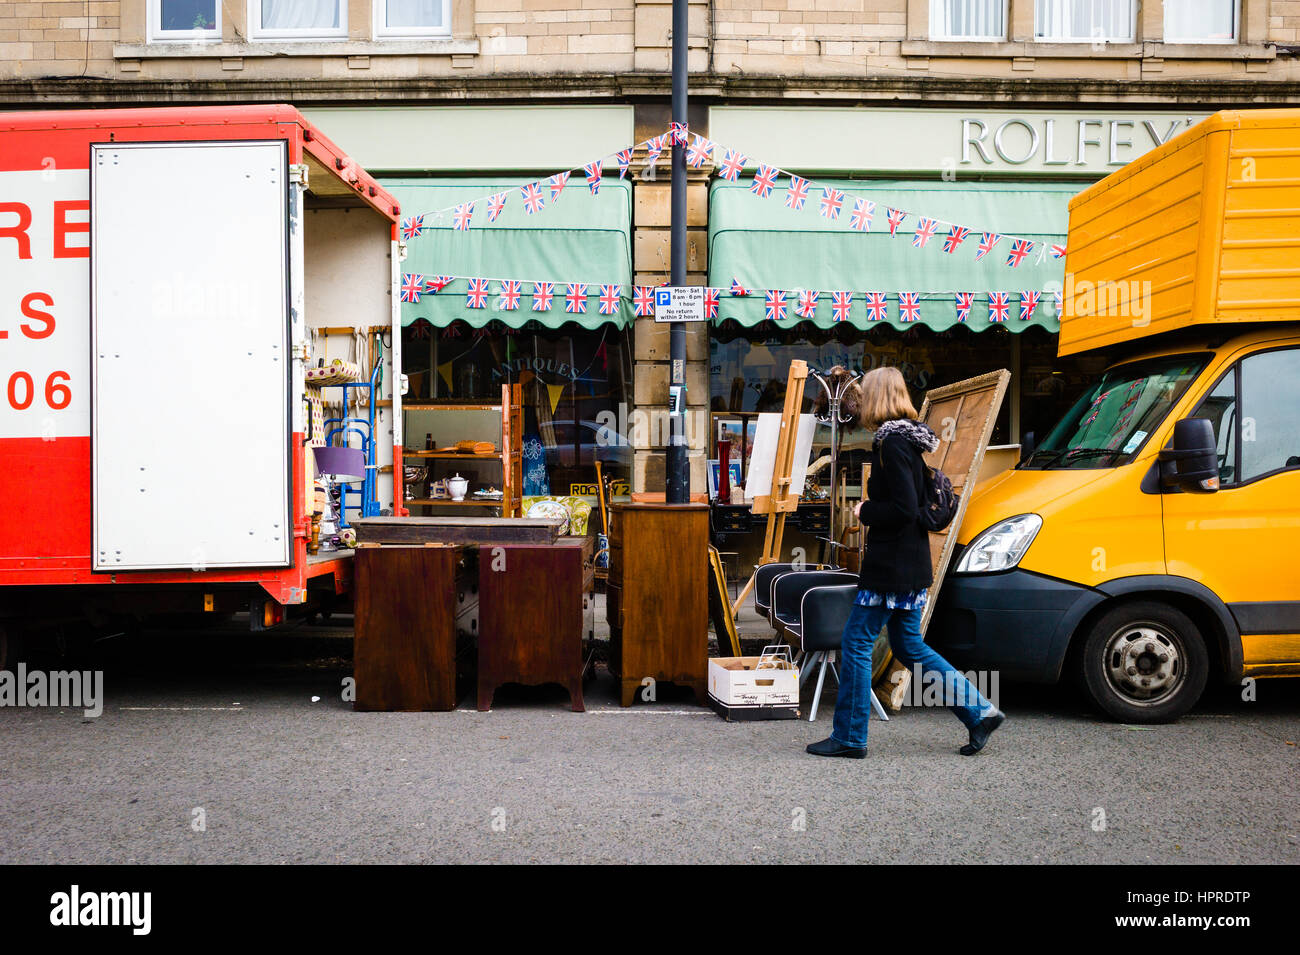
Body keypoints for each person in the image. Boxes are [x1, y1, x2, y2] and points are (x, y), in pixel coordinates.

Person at [806, 366, 1005, 759]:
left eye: (865, 393)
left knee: (857, 643)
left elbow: (901, 508)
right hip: (909, 564)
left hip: (891, 567)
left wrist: (865, 510)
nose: (860, 400)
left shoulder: (892, 443)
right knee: (909, 644)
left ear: (878, 397)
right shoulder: (909, 440)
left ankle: (849, 737)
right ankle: (979, 711)